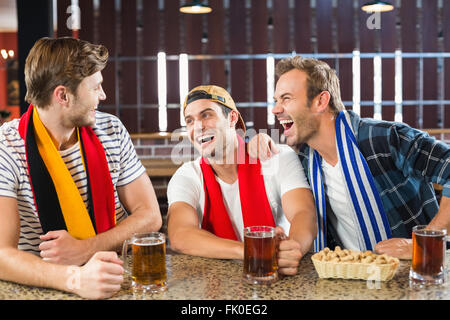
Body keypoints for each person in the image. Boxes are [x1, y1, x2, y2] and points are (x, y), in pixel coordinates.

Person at [0, 37, 162, 299]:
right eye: (95, 87)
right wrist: (76, 278)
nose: (103, 95)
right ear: (63, 95)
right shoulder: (5, 147)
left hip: (120, 276)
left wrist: (85, 249)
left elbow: (151, 216)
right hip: (45, 285)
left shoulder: (111, 129)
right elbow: (1, 255)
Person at [248, 56, 450, 259]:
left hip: (415, 277)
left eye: (286, 98)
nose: (275, 109)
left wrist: (422, 244)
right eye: (276, 100)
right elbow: (302, 217)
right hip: (350, 280)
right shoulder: (306, 162)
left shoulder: (386, 138)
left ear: (321, 101)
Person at [167, 85, 317, 275]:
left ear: (232, 118)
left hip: (277, 273)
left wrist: (292, 249)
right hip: (217, 285)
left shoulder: (277, 157)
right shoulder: (187, 175)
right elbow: (180, 235)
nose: (198, 127)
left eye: (206, 115)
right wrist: (254, 251)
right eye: (190, 121)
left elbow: (304, 213)